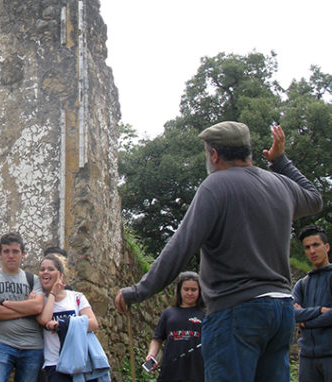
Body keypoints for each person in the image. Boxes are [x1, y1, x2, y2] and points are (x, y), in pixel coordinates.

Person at [114, 122, 323, 382]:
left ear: (214, 154)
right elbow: (315, 198)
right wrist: (280, 161)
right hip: (281, 310)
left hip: (236, 312)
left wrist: (137, 291)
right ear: (247, 151)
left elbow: (179, 248)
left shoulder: (216, 186)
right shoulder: (280, 184)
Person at [0, 232, 44, 382]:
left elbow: (37, 307)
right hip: (2, 343)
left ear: (23, 254)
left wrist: (5, 304)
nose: (11, 255)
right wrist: (25, 309)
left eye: (15, 251)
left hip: (32, 345)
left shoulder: (33, 280)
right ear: (0, 254)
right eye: (6, 251)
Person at [36, 254, 99, 382]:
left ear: (61, 275)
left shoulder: (76, 297)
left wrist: (64, 324)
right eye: (42, 269)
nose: (45, 272)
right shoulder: (39, 300)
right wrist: (52, 294)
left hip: (79, 360)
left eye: (51, 269)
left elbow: (93, 323)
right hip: (55, 363)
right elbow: (44, 320)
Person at [145, 271, 205, 382]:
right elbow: (157, 339)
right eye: (186, 289)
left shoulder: (206, 314)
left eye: (194, 290)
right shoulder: (168, 313)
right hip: (170, 372)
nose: (190, 293)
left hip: (197, 373)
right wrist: (151, 355)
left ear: (200, 291)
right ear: (179, 290)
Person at [292, 225, 332, 382]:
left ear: (326, 247)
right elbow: (292, 312)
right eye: (307, 247)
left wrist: (305, 323)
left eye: (316, 245)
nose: (312, 251)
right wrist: (319, 311)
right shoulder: (301, 284)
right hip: (307, 357)